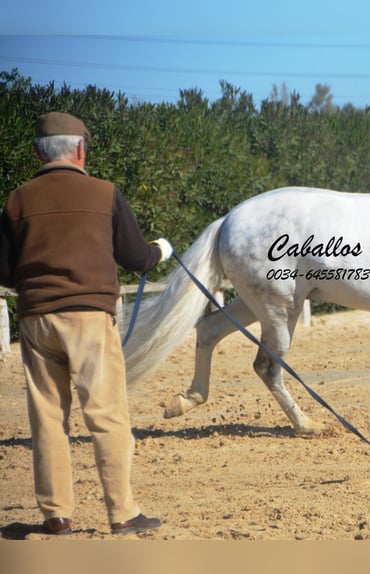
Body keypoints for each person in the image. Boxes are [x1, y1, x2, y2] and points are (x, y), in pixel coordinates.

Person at [0, 112, 173, 536]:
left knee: (47, 418)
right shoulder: (105, 193)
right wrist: (161, 250)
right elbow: (135, 257)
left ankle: (56, 516)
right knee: (107, 414)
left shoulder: (16, 200)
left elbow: (4, 271)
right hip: (91, 319)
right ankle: (122, 513)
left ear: (39, 152)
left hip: (37, 320)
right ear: (80, 149)